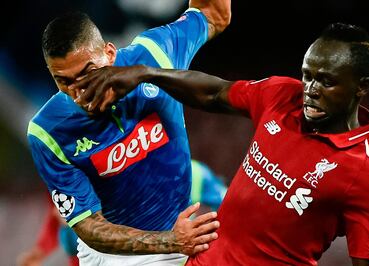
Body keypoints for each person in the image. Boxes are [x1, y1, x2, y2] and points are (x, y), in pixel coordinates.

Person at [70, 22, 369, 265]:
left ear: (361, 87)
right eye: (308, 74)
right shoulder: (283, 96)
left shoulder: (368, 174)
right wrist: (146, 74)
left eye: (327, 82)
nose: (310, 88)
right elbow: (214, 92)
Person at [26, 1, 231, 265]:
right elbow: (88, 226)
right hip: (117, 255)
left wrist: (149, 74)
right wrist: (170, 240)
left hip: (182, 231)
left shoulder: (153, 54)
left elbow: (214, 15)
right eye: (63, 81)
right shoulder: (47, 131)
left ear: (110, 53)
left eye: (88, 73)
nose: (80, 93)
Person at [17, 160, 227, 266]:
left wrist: (215, 249)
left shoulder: (193, 172)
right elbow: (68, 234)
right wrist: (42, 248)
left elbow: (228, 206)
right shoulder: (95, 179)